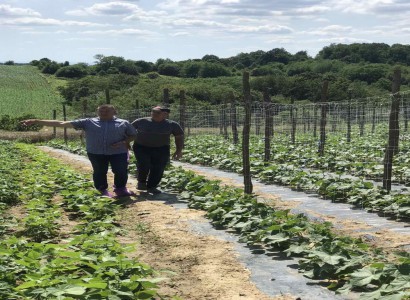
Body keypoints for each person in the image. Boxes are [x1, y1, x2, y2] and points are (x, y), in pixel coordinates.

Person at [21, 104, 137, 198]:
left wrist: (123, 142)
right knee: (99, 171)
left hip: (118, 152)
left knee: (121, 170)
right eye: (101, 111)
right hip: (95, 152)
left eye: (107, 111)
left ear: (114, 112)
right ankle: (102, 190)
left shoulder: (124, 123)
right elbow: (61, 123)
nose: (103, 113)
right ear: (97, 112)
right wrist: (36, 121)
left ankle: (120, 189)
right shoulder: (88, 122)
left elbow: (133, 135)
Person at [131, 105, 184, 194]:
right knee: (144, 164)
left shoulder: (172, 124)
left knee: (159, 167)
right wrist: (125, 142)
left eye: (158, 113)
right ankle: (141, 182)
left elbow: (179, 136)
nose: (154, 114)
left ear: (165, 114)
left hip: (161, 148)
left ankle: (152, 186)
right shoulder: (141, 121)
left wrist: (179, 150)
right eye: (153, 112)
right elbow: (128, 130)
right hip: (141, 147)